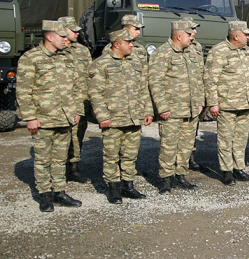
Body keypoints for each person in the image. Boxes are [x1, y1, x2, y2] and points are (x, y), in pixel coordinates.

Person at [16, 20, 83, 212]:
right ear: (49, 37)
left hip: (65, 118)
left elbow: (76, 87)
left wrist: (77, 110)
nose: (65, 40)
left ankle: (59, 192)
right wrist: (30, 117)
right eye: (62, 36)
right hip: (43, 119)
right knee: (43, 160)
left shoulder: (66, 58)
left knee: (61, 159)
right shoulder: (31, 58)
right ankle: (45, 196)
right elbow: (23, 90)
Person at [88, 29, 153, 203]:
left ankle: (128, 185)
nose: (132, 45)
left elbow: (143, 89)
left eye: (132, 42)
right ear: (117, 44)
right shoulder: (101, 64)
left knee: (130, 154)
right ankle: (114, 188)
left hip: (133, 117)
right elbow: (95, 93)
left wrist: (147, 110)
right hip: (113, 119)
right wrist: (102, 116)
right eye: (128, 42)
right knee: (111, 155)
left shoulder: (135, 63)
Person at [148, 21, 205, 194]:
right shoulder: (162, 54)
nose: (192, 37)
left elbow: (198, 79)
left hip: (191, 109)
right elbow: (155, 82)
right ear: (179, 36)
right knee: (169, 145)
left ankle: (180, 175)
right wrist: (162, 107)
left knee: (186, 145)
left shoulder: (190, 53)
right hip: (172, 110)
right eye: (189, 34)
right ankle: (166, 179)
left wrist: (200, 102)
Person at [205, 21, 249, 185]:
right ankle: (227, 171)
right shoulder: (219, 51)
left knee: (241, 139)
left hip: (245, 103)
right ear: (236, 35)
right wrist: (213, 102)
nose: (248, 37)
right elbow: (210, 79)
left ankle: (239, 168)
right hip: (227, 104)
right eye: (246, 34)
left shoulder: (247, 51)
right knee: (226, 139)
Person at [58, 16, 92, 184]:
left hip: (81, 102)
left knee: (78, 136)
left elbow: (90, 76)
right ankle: (59, 169)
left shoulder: (82, 51)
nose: (77, 33)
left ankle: (74, 169)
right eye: (73, 30)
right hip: (61, 104)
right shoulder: (56, 51)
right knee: (61, 138)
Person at [180, 17, 204, 171]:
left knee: (193, 128)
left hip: (195, 93)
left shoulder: (197, 47)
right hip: (182, 95)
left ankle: (191, 156)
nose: (194, 32)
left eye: (195, 29)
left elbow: (200, 71)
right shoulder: (179, 46)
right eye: (191, 29)